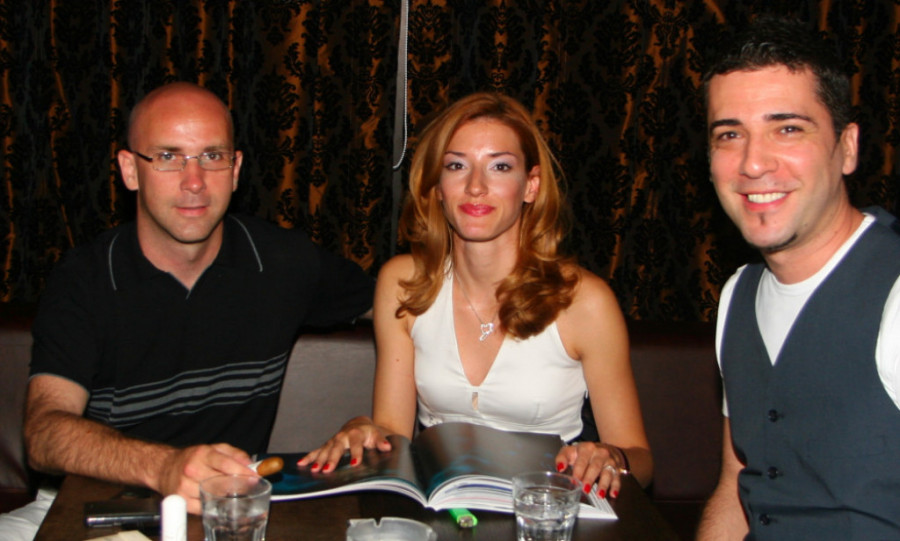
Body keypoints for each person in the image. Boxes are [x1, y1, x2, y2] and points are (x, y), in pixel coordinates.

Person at [0, 82, 373, 538]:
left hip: (228, 513)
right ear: (130, 170)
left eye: (212, 156)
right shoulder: (87, 278)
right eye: (168, 156)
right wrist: (163, 466)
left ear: (235, 170)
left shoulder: (283, 261)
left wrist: (371, 422)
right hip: (95, 507)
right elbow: (44, 433)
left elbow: (403, 303)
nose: (194, 181)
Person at [299, 93, 652, 498]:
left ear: (531, 185)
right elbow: (393, 434)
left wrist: (612, 457)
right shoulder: (402, 282)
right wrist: (360, 428)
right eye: (456, 166)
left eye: (500, 166)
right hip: (443, 509)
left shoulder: (584, 301)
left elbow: (641, 460)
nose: (475, 186)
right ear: (437, 187)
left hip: (546, 511)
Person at [697, 17, 900, 540]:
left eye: (787, 129)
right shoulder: (737, 295)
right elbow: (737, 484)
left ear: (847, 147)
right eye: (729, 135)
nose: (753, 163)